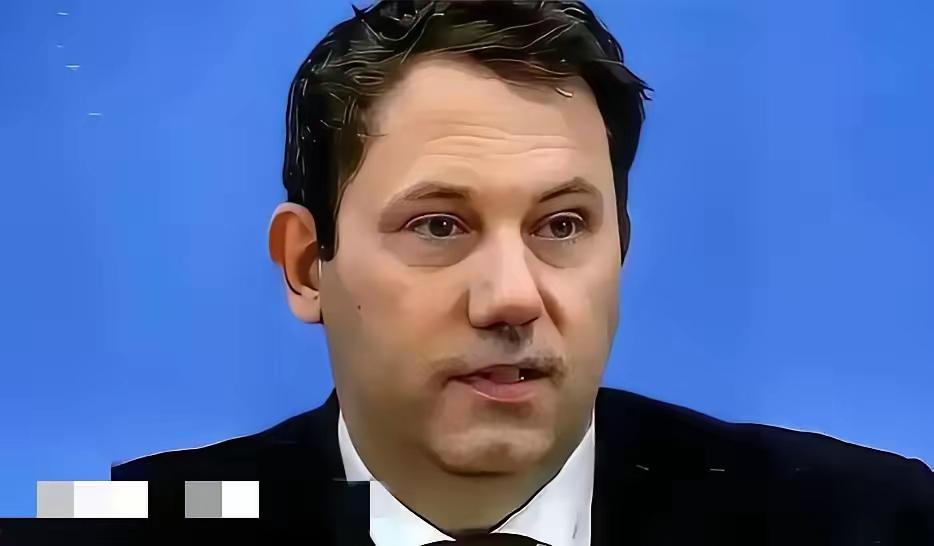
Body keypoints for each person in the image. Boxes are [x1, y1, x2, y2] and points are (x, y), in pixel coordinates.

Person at [112, 1, 934, 544]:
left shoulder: (868, 521)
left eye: (562, 225)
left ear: (620, 248)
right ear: (305, 267)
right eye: (439, 225)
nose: (512, 296)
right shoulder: (133, 522)